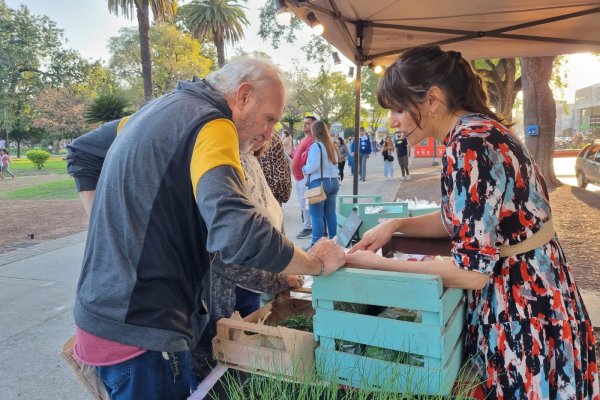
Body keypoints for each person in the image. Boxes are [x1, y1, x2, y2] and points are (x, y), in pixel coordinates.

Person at [66, 58, 345, 400]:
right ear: (242, 96)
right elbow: (238, 231)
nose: (270, 134)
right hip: (145, 333)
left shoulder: (156, 109)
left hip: (99, 319)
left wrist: (107, 225)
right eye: (269, 118)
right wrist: (315, 263)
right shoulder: (213, 124)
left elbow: (83, 151)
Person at [346, 46, 599, 399]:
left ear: (432, 99)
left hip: (522, 303)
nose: (392, 120)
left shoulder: (468, 145)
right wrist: (395, 225)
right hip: (538, 285)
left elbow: (472, 272)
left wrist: (377, 266)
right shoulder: (477, 130)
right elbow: (465, 222)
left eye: (399, 108)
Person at [192, 134, 302, 380]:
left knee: (248, 361)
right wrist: (281, 278)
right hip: (219, 297)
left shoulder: (250, 159)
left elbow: (270, 221)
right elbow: (229, 251)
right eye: (266, 119)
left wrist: (285, 268)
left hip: (251, 290)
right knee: (217, 373)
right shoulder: (219, 163)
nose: (267, 132)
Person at [302, 120, 340, 248]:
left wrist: (304, 169)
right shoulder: (332, 145)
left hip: (318, 183)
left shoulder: (316, 146)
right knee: (330, 213)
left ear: (315, 131)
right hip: (333, 182)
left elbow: (314, 166)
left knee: (316, 214)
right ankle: (334, 241)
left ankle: (316, 244)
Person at [291, 116, 316, 239]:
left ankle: (309, 227)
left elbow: (308, 159)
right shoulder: (303, 139)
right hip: (298, 177)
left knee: (307, 203)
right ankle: (308, 226)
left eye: (308, 123)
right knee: (303, 203)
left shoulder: (313, 140)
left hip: (305, 177)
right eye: (304, 123)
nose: (304, 125)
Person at [258, 132, 291, 205]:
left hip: (263, 190)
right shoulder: (275, 137)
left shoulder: (258, 136)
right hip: (274, 190)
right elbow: (282, 169)